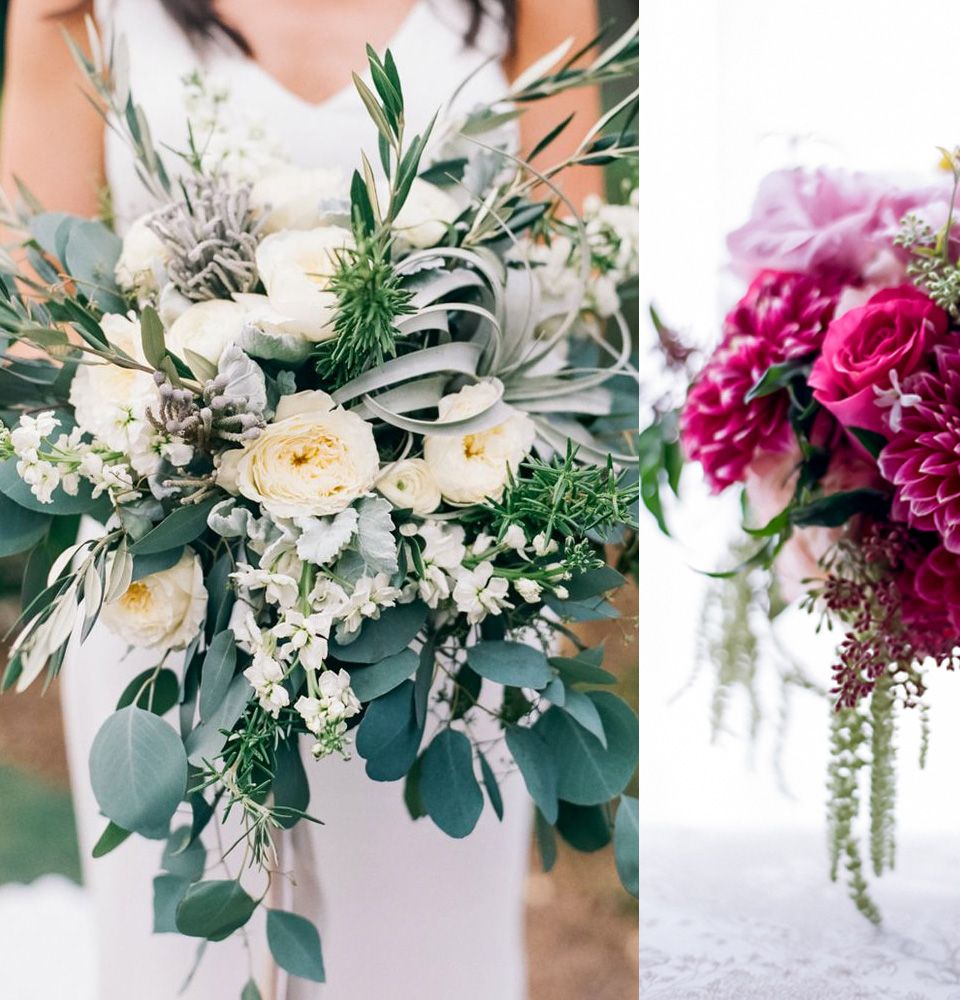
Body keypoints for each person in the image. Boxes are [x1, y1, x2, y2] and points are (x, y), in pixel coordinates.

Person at [0, 1, 601, 995]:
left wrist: (416, 465)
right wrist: (202, 453)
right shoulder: (77, 10)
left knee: (430, 957)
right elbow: (37, 318)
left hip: (448, 608)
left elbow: (570, 289)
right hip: (171, 591)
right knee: (185, 961)